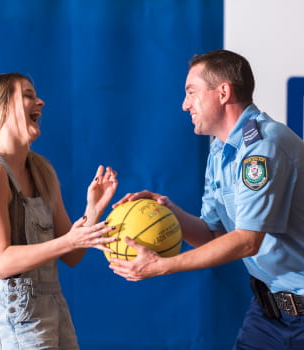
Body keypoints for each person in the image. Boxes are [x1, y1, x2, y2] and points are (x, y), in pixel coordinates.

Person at [109, 50, 304, 349]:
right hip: (270, 311)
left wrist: (163, 265)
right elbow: (214, 235)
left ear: (223, 92)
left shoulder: (263, 148)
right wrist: (168, 212)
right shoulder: (220, 151)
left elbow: (247, 241)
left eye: (191, 92)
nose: (185, 104)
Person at [0, 73, 119, 350]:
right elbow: (0, 263)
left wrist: (92, 210)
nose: (41, 102)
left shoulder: (41, 171)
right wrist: (69, 240)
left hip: (55, 309)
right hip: (16, 317)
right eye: (27, 95)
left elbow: (71, 255)